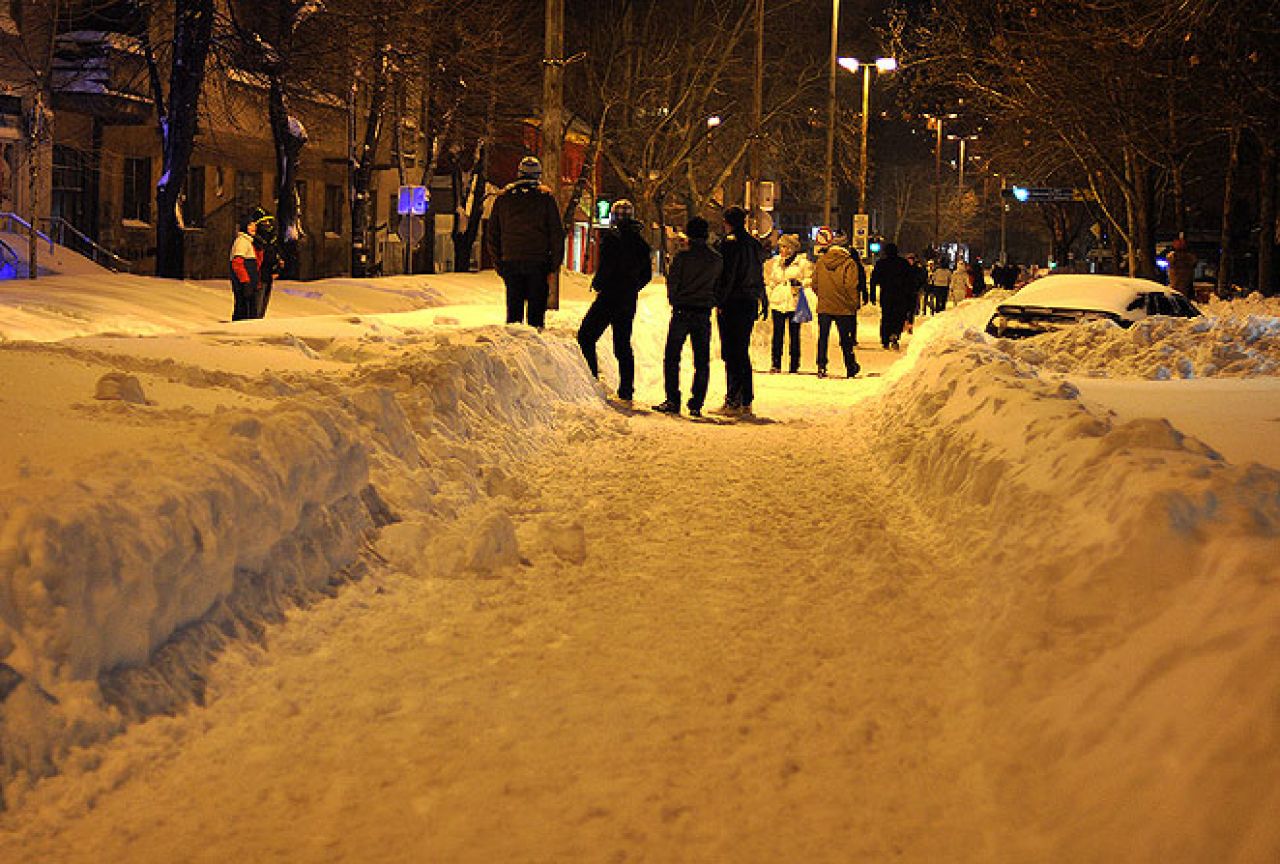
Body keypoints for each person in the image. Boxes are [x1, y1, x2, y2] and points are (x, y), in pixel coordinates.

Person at [577, 199, 651, 403]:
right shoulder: (641, 243)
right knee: (622, 344)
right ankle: (626, 389)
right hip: (628, 299)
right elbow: (646, 275)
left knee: (586, 336)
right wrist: (632, 287)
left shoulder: (612, 238)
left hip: (609, 297)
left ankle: (592, 378)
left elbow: (607, 267)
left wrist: (599, 284)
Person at [653, 217, 722, 417]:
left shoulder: (682, 257)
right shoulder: (716, 259)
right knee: (701, 359)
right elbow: (718, 285)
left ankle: (673, 399)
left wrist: (675, 300)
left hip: (682, 311)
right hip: (703, 312)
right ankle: (696, 403)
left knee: (672, 356)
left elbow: (673, 282)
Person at [486, 156, 565, 329]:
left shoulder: (504, 198)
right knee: (536, 315)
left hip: (511, 261)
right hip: (538, 264)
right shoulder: (545, 198)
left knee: (514, 314)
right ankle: (535, 345)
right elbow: (556, 235)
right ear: (538, 175)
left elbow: (492, 233)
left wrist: (499, 263)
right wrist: (553, 266)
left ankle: (515, 349)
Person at [714, 206, 767, 415]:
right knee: (741, 350)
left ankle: (733, 398)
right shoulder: (754, 244)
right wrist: (762, 298)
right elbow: (758, 273)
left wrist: (720, 300)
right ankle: (746, 399)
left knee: (731, 351)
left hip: (732, 302)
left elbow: (728, 275)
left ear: (728, 222)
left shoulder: (728, 245)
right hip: (749, 301)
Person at [810, 227, 862, 378]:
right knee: (845, 338)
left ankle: (821, 366)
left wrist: (823, 295)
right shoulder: (849, 263)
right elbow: (851, 285)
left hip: (825, 306)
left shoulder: (821, 261)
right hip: (843, 307)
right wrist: (853, 304)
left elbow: (814, 284)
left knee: (823, 337)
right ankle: (850, 366)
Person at [763, 233, 812, 373]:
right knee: (777, 334)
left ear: (792, 249)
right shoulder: (776, 262)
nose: (782, 250)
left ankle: (794, 364)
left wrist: (800, 283)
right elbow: (771, 280)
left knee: (794, 335)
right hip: (778, 302)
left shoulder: (802, 263)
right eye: (781, 247)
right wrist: (771, 292)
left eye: (785, 247)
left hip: (794, 301)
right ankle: (776, 363)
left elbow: (809, 279)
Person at [871, 243, 917, 351]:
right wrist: (911, 296)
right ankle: (895, 333)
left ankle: (885, 339)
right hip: (901, 295)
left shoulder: (881, 264)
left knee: (886, 316)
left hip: (886, 294)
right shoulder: (903, 264)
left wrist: (872, 295)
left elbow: (874, 280)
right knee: (898, 316)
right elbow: (910, 281)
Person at [228, 214, 259, 321]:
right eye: (250, 225)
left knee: (246, 310)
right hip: (243, 284)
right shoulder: (242, 242)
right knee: (243, 310)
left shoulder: (248, 242)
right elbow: (237, 264)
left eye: (254, 225)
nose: (254, 227)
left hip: (248, 283)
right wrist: (245, 282)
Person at [253, 212, 282, 318]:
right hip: (260, 274)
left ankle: (260, 318)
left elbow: (275, 255)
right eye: (264, 222)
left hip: (268, 274)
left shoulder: (272, 239)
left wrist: (277, 268)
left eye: (269, 221)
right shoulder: (257, 240)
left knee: (264, 301)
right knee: (258, 302)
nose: (268, 224)